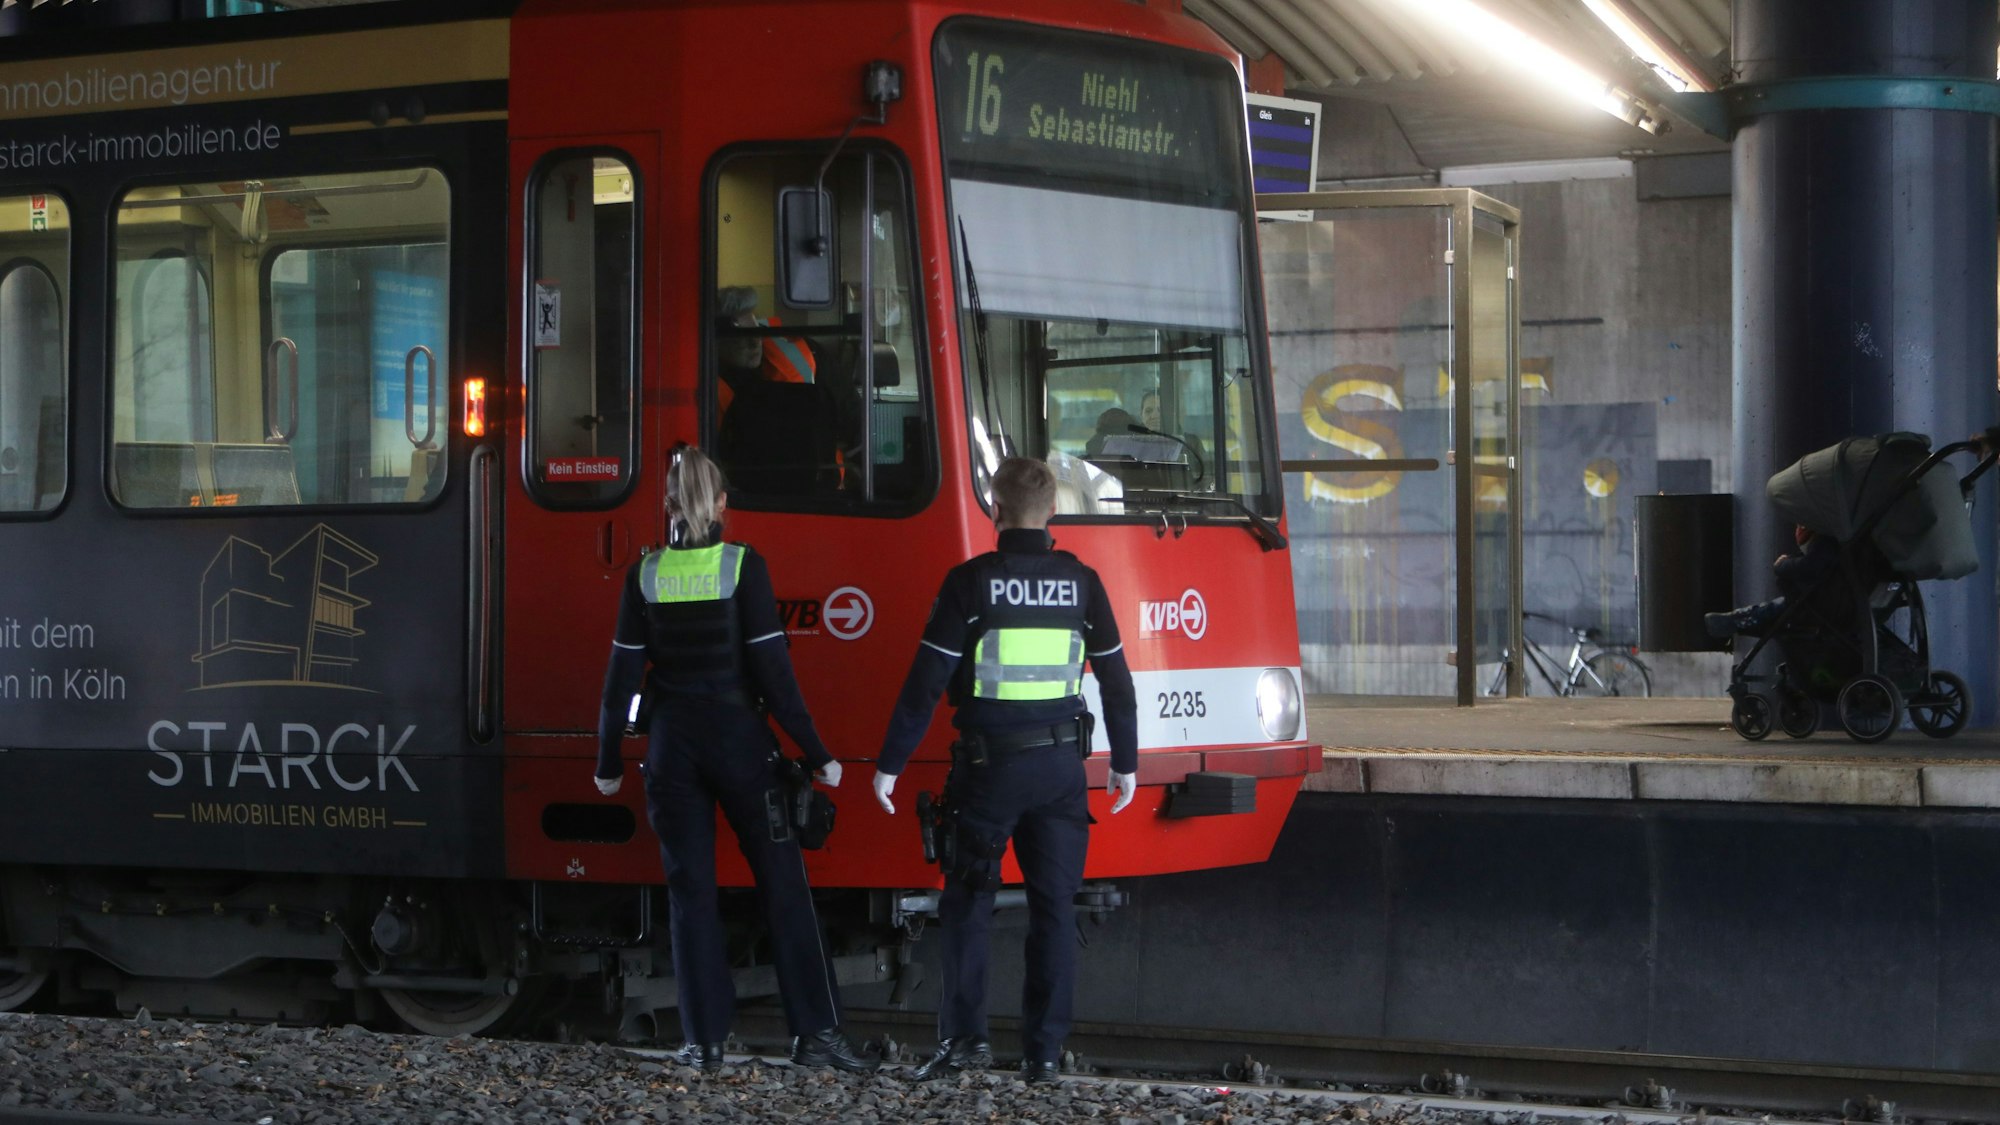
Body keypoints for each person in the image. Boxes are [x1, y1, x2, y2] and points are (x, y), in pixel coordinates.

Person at [594, 445, 877, 1075]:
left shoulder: (645, 574)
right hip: (741, 742)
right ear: (722, 504)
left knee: (690, 892)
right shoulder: (743, 566)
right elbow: (775, 674)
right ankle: (818, 1036)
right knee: (784, 884)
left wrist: (608, 758)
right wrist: (818, 752)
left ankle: (704, 1042)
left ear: (667, 505)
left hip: (672, 746)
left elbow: (620, 681)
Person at [869, 456, 1139, 1084]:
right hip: (1061, 771)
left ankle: (965, 1043)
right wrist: (1124, 762)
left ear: (994, 509)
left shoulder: (971, 583)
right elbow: (1117, 684)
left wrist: (890, 763)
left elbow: (924, 685)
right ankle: (1044, 1053)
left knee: (968, 903)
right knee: (1054, 907)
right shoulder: (1083, 582)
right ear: (1052, 512)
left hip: (989, 771)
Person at [1705, 523, 1840, 637]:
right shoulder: (1834, 533)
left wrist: (1782, 566)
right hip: (1829, 601)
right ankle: (1739, 621)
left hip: (1832, 606)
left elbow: (1810, 566)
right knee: (1782, 611)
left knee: (1784, 612)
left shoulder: (1826, 540)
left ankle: (1738, 621)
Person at [716, 285, 816, 412]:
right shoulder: (704, 387)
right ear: (715, 342)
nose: (755, 342)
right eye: (741, 337)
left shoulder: (791, 356)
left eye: (757, 332)